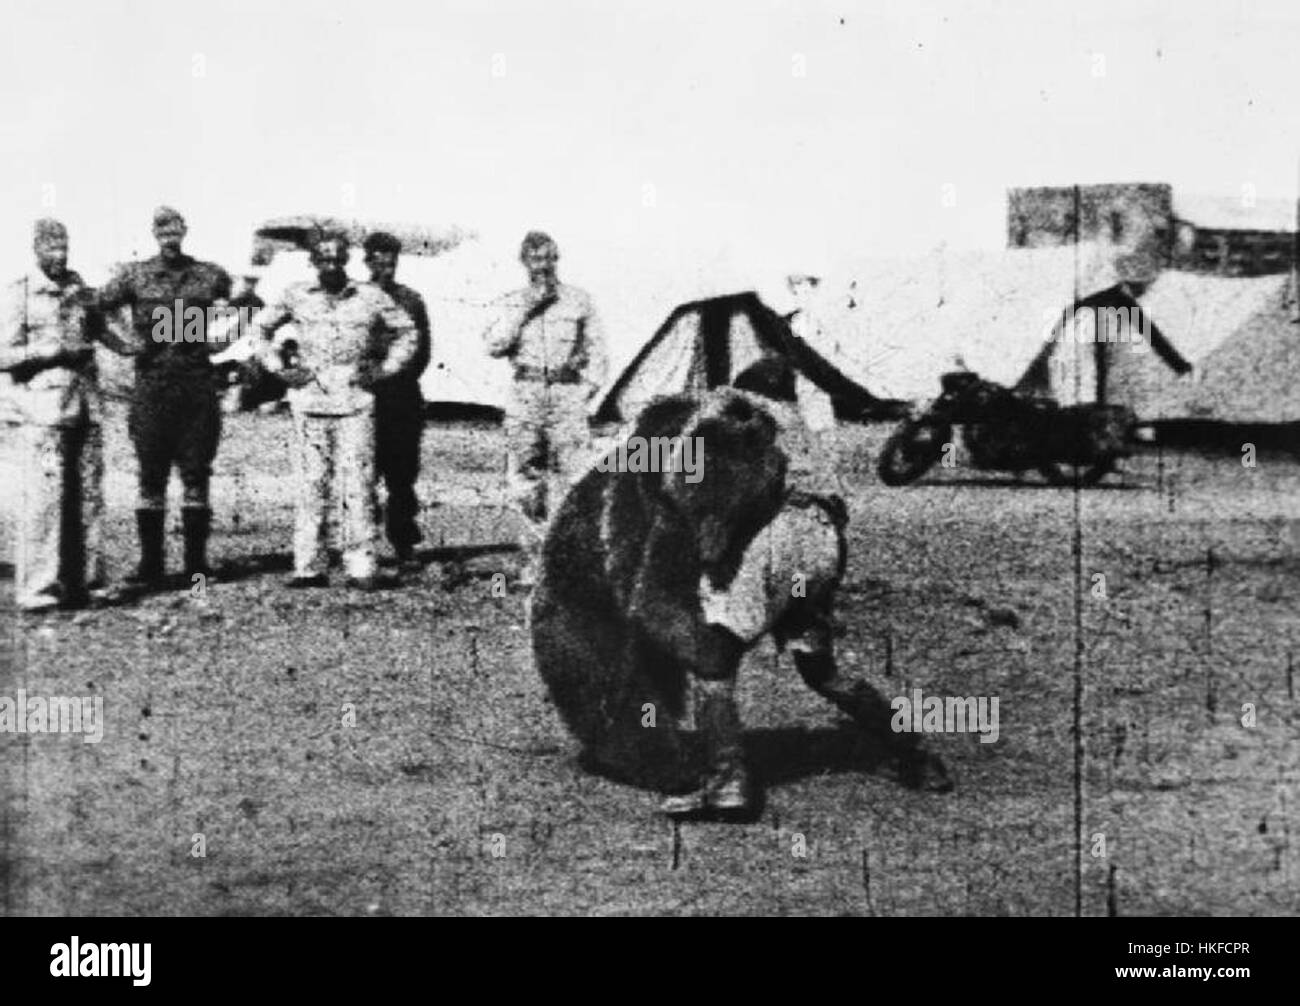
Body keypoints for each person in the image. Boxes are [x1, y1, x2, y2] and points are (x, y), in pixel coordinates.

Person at [661, 355, 949, 816]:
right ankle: (915, 755)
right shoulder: (802, 431)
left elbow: (702, 479)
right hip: (823, 544)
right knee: (821, 669)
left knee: (712, 660)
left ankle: (726, 782)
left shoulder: (733, 405)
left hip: (783, 536)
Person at [240, 231, 418, 589]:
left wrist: (384, 370)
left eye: (338, 258)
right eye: (324, 259)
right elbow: (260, 328)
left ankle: (361, 565)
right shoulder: (296, 295)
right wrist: (279, 367)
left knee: (358, 484)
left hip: (355, 402)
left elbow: (408, 333)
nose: (331, 265)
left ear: (346, 261)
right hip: (310, 402)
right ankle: (308, 565)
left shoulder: (369, 297)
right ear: (313, 262)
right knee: (312, 484)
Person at [0, 219, 135, 611]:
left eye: (64, 248)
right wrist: (52, 352)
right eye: (52, 248)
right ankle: (38, 589)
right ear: (36, 249)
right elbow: (3, 354)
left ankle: (85, 583)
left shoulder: (81, 291)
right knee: (44, 503)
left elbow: (111, 334)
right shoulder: (19, 293)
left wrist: (129, 333)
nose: (59, 256)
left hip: (85, 407)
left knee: (89, 499)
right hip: (41, 413)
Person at [98, 206, 233, 585]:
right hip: (152, 386)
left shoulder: (210, 275)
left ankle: (195, 564)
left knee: (196, 474)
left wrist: (222, 341)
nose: (169, 234)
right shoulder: (135, 276)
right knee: (151, 476)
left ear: (184, 230)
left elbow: (241, 310)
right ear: (154, 233)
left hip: (196, 386)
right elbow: (95, 311)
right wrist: (123, 345)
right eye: (162, 229)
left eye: (175, 228)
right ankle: (151, 564)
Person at [483, 231, 608, 582]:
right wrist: (525, 310)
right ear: (524, 263)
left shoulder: (579, 301)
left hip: (566, 392)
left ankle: (570, 562)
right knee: (525, 478)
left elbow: (598, 352)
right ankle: (534, 561)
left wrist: (585, 393)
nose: (544, 266)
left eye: (550, 258)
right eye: (537, 260)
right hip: (526, 391)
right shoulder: (511, 302)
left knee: (575, 476)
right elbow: (494, 345)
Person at [361, 231, 432, 567]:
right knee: (361, 474)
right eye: (378, 262)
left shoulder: (411, 301)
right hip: (362, 396)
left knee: (401, 476)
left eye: (390, 263)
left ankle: (404, 543)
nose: (385, 269)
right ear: (367, 262)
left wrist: (393, 375)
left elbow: (421, 352)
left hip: (400, 397)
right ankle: (362, 547)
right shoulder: (356, 299)